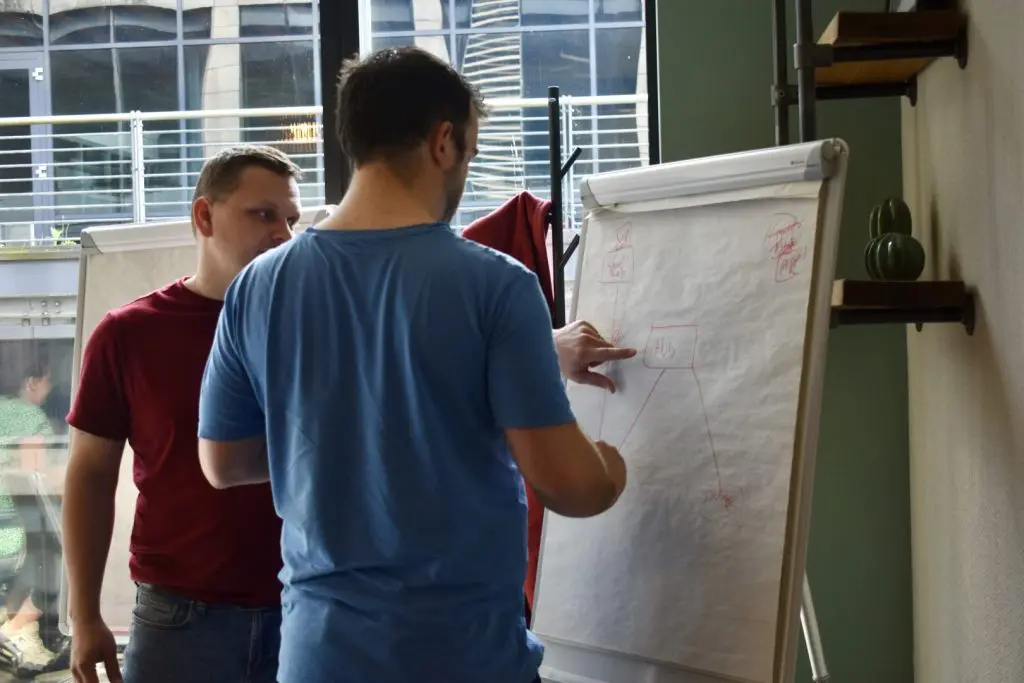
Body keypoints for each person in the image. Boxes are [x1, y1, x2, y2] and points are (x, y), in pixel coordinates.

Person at [197, 46, 630, 683]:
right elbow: (570, 486)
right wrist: (615, 466)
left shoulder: (258, 285)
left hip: (317, 658)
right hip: (465, 658)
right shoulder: (495, 284)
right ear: (444, 141)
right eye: (470, 151)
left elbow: (223, 462)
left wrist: (341, 441)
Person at [62, 145, 304, 683]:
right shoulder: (130, 331)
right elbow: (89, 475)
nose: (283, 235)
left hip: (307, 606)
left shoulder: (313, 327)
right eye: (263, 214)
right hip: (180, 617)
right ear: (204, 216)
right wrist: (84, 616)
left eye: (290, 219)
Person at [0, 342, 62, 673]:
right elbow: (32, 478)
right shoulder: (31, 416)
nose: (49, 388)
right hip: (9, 528)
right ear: (32, 382)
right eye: (48, 381)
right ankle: (18, 631)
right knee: (57, 558)